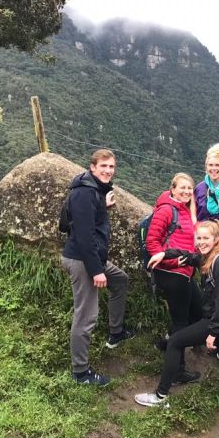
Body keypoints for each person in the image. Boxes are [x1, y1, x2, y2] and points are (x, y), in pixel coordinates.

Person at [135, 221, 219, 438]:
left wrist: (212, 333)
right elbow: (189, 256)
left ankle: (160, 395)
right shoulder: (210, 257)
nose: (200, 242)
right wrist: (165, 253)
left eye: (205, 238)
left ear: (217, 239)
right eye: (198, 238)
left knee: (175, 341)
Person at [61, 149, 135, 385]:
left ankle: (116, 332)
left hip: (92, 258)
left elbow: (76, 221)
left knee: (120, 280)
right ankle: (81, 372)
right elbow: (83, 237)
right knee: (86, 316)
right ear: (92, 167)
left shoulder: (93, 190)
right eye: (103, 166)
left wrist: (103, 206)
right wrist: (96, 271)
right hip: (83, 260)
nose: (108, 171)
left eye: (111, 167)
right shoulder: (84, 193)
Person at [145, 172, 201, 385]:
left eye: (189, 189)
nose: (186, 192)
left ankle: (166, 343)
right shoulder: (167, 209)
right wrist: (172, 262)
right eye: (182, 188)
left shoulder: (185, 211)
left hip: (185, 273)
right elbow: (152, 243)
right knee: (181, 322)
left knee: (199, 312)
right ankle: (177, 371)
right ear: (173, 189)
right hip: (171, 274)